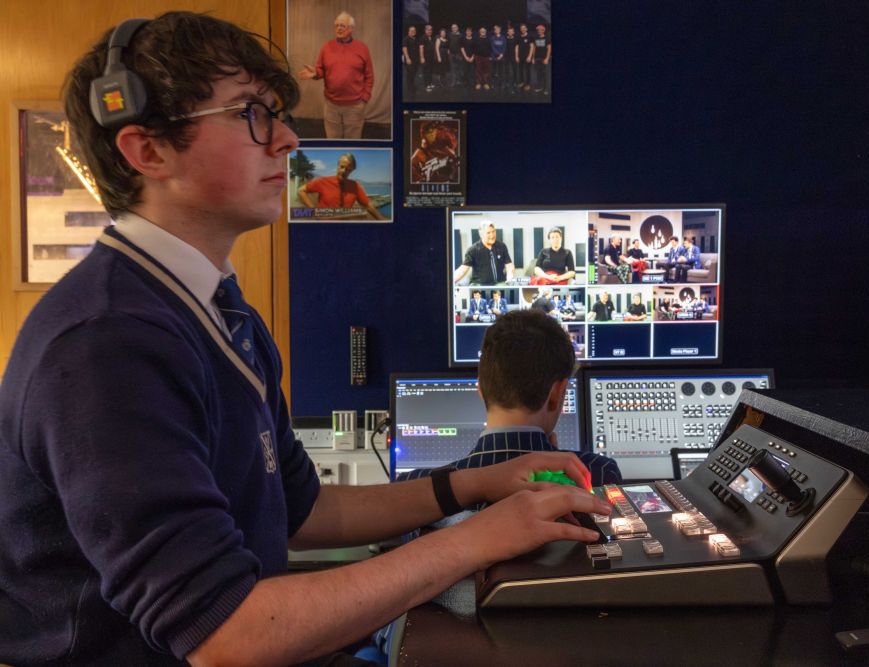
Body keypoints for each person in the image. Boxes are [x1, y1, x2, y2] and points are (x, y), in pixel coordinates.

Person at [0, 14, 611, 665]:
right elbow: (225, 635)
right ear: (147, 150)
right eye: (253, 115)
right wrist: (478, 539)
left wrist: (475, 485)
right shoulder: (108, 345)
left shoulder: (220, 310)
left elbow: (306, 508)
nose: (290, 139)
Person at [396, 309, 622, 490]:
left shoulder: (415, 488)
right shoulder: (598, 473)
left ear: (481, 389)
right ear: (556, 394)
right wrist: (552, 456)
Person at [297, 11, 373, 139]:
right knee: (332, 140)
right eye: (336, 25)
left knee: (352, 143)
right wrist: (316, 73)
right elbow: (321, 70)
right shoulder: (326, 47)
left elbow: (369, 75)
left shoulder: (362, 48)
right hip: (331, 105)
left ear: (351, 28)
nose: (338, 28)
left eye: (342, 25)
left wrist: (365, 97)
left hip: (355, 106)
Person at [298, 152, 386, 220]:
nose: (343, 171)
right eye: (342, 167)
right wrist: (313, 209)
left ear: (352, 170)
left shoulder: (355, 186)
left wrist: (383, 221)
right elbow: (301, 190)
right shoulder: (324, 181)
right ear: (338, 165)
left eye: (348, 169)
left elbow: (368, 205)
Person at [453, 220, 514, 285]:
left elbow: (509, 265)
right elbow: (463, 270)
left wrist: (510, 276)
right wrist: (450, 282)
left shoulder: (502, 246)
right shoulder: (473, 250)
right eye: (488, 233)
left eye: (493, 231)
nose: (492, 235)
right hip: (479, 285)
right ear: (481, 235)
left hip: (499, 283)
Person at [528, 24, 551, 94]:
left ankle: (546, 88)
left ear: (544, 31)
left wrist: (547, 58)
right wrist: (533, 58)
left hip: (544, 58)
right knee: (539, 74)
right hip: (537, 58)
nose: (539, 31)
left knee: (545, 74)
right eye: (538, 30)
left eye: (541, 30)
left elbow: (549, 49)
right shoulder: (536, 38)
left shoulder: (547, 38)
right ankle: (540, 87)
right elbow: (534, 48)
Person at [402, 25, 419, 98]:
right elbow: (404, 48)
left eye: (414, 31)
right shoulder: (406, 39)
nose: (413, 32)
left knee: (413, 74)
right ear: (408, 31)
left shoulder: (415, 39)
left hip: (415, 60)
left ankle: (412, 86)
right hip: (409, 60)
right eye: (411, 31)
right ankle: (410, 90)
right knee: (410, 75)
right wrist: (407, 58)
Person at [515, 23, 533, 91]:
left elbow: (532, 46)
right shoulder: (518, 36)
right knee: (520, 70)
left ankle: (528, 84)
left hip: (527, 57)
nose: (523, 29)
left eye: (524, 28)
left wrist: (529, 56)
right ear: (520, 29)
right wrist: (517, 56)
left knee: (527, 70)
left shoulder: (530, 36)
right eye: (521, 28)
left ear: (526, 29)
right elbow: (517, 47)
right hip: (520, 57)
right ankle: (522, 82)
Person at [418, 23, 435, 91]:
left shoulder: (431, 37)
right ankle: (427, 85)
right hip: (425, 58)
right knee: (426, 72)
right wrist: (422, 58)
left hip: (431, 58)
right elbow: (421, 48)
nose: (429, 31)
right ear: (425, 30)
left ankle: (430, 83)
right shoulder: (422, 38)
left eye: (430, 30)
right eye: (428, 30)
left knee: (430, 71)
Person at [489, 25, 506, 90]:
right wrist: (497, 54)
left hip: (501, 57)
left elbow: (504, 47)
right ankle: (493, 84)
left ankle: (501, 84)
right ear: (494, 30)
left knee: (501, 71)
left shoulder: (503, 38)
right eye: (495, 29)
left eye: (498, 29)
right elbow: (492, 47)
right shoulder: (492, 38)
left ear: (500, 30)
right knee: (493, 71)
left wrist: (501, 54)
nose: (496, 30)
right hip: (494, 57)